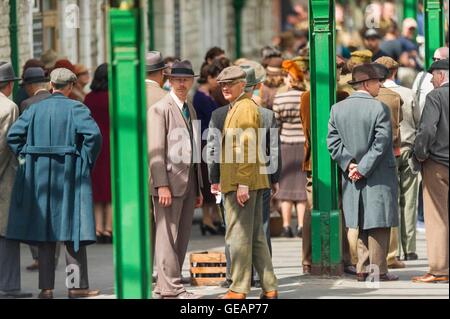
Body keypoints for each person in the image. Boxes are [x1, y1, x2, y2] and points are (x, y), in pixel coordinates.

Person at [6, 68, 102, 299]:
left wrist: (28, 155)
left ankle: (46, 289)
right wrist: (84, 160)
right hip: (69, 175)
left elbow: (13, 136)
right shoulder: (76, 108)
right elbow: (94, 136)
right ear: (70, 87)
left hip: (39, 177)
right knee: (72, 233)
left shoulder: (35, 109)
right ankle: (75, 287)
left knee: (45, 235)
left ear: (51, 85)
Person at [327, 63, 400, 282]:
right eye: (378, 81)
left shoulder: (337, 108)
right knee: (378, 223)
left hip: (351, 175)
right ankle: (377, 272)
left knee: (358, 221)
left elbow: (332, 141)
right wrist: (364, 167)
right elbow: (381, 142)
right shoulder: (380, 108)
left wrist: (350, 164)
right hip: (377, 175)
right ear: (367, 84)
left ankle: (362, 268)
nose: (380, 85)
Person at [217, 66, 278, 299]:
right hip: (250, 180)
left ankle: (239, 288)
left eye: (230, 84)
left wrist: (242, 182)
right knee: (256, 238)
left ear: (242, 85)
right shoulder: (244, 106)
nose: (225, 88)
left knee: (238, 236)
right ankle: (269, 287)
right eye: (222, 84)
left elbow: (245, 145)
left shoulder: (243, 108)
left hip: (242, 182)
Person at [148, 60, 203, 299]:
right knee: (166, 235)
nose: (182, 84)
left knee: (180, 236)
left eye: (186, 80)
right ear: (169, 81)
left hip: (189, 180)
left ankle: (165, 285)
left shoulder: (189, 108)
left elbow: (194, 148)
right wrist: (161, 185)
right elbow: (156, 149)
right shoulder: (160, 109)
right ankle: (172, 287)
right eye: (177, 80)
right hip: (168, 182)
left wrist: (199, 186)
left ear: (192, 81)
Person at [300, 56, 355, 275]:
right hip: (337, 160)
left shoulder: (305, 97)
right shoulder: (342, 96)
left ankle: (307, 259)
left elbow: (307, 131)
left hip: (313, 161)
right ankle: (344, 257)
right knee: (339, 208)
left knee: (310, 209)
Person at [376, 56, 421, 261]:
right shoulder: (408, 93)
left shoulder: (376, 95)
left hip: (388, 153)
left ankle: (392, 251)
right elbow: (419, 121)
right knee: (409, 201)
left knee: (390, 200)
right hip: (409, 149)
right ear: (395, 72)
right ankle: (409, 247)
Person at [240, 65, 281, 288]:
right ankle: (262, 274)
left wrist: (214, 179)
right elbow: (273, 148)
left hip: (233, 179)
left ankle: (235, 274)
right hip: (262, 176)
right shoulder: (266, 115)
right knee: (262, 224)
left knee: (235, 227)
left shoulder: (223, 113)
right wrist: (275, 178)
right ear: (257, 86)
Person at [18, 66, 61, 271]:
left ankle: (38, 256)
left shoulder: (26, 104)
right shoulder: (60, 101)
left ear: (30, 86)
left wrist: (23, 154)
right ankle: (53, 256)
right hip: (61, 164)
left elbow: (18, 135)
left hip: (35, 165)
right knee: (57, 211)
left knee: (36, 211)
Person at [411, 59, 449, 284]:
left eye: (433, 76)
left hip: (438, 163)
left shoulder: (436, 97)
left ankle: (439, 269)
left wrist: (420, 153)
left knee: (437, 218)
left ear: (441, 76)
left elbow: (426, 129)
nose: (432, 80)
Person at [0, 62, 32, 299]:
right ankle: (9, 285)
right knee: (6, 232)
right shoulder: (8, 107)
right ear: (9, 85)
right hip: (5, 176)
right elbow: (7, 144)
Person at [373, 62, 406, 270]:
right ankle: (391, 256)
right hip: (391, 153)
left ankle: (361, 258)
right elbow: (399, 120)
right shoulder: (395, 97)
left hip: (365, 157)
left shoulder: (359, 97)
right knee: (390, 203)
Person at [272, 60, 307, 238]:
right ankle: (301, 225)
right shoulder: (305, 97)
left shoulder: (280, 98)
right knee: (301, 189)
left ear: (288, 78)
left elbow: (276, 123)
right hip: (302, 144)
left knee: (285, 188)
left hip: (285, 144)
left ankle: (286, 226)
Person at [84, 64, 112, 244]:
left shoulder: (88, 98)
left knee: (97, 187)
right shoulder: (113, 98)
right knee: (110, 188)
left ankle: (97, 227)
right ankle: (109, 228)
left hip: (94, 145)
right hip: (111, 144)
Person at [193, 63, 222, 236]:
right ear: (209, 78)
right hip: (205, 141)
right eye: (216, 79)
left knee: (212, 179)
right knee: (207, 178)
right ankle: (206, 219)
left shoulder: (207, 96)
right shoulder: (200, 97)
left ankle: (210, 218)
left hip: (211, 139)